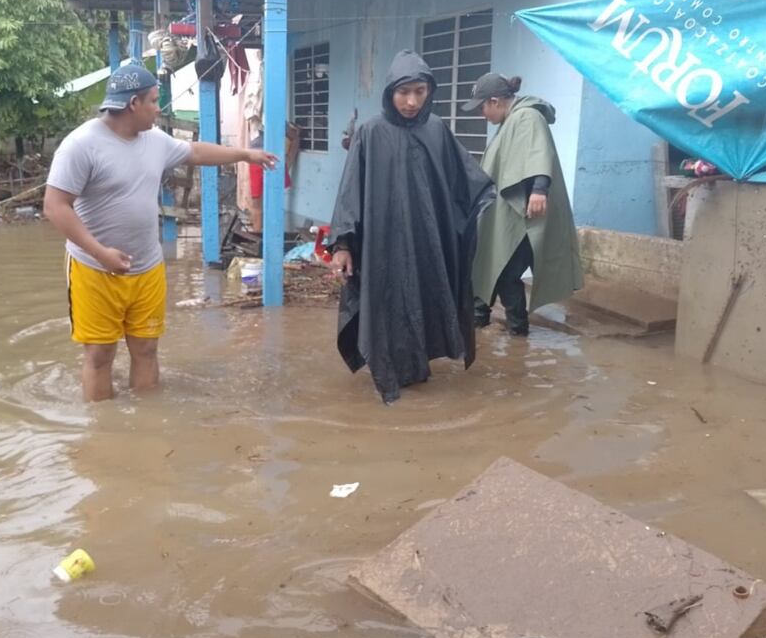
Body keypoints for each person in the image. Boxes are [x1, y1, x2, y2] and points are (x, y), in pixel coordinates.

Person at [44, 64, 277, 402]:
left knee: (147, 350)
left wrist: (246, 154)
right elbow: (55, 206)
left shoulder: (154, 141)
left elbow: (195, 152)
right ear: (133, 104)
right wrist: (100, 253)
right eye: (153, 100)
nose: (158, 108)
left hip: (147, 267)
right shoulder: (81, 145)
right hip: (94, 269)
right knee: (99, 356)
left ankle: (147, 420)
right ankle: (102, 428)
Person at [328, 51, 495, 404]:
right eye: (403, 92)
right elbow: (350, 190)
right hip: (382, 242)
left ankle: (417, 367)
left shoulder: (437, 130)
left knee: (423, 296)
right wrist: (342, 244)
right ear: (390, 92)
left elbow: (462, 181)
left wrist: (483, 198)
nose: (411, 102)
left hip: (426, 240)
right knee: (386, 300)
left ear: (429, 91)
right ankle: (390, 374)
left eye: (420, 91)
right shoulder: (370, 133)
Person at [464, 73, 583, 336]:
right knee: (490, 262)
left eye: (482, 107)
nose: (482, 115)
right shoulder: (510, 121)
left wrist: (539, 190)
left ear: (495, 101)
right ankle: (479, 321)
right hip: (510, 214)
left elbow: (539, 152)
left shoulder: (527, 116)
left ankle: (518, 332)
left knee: (506, 272)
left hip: (525, 217)